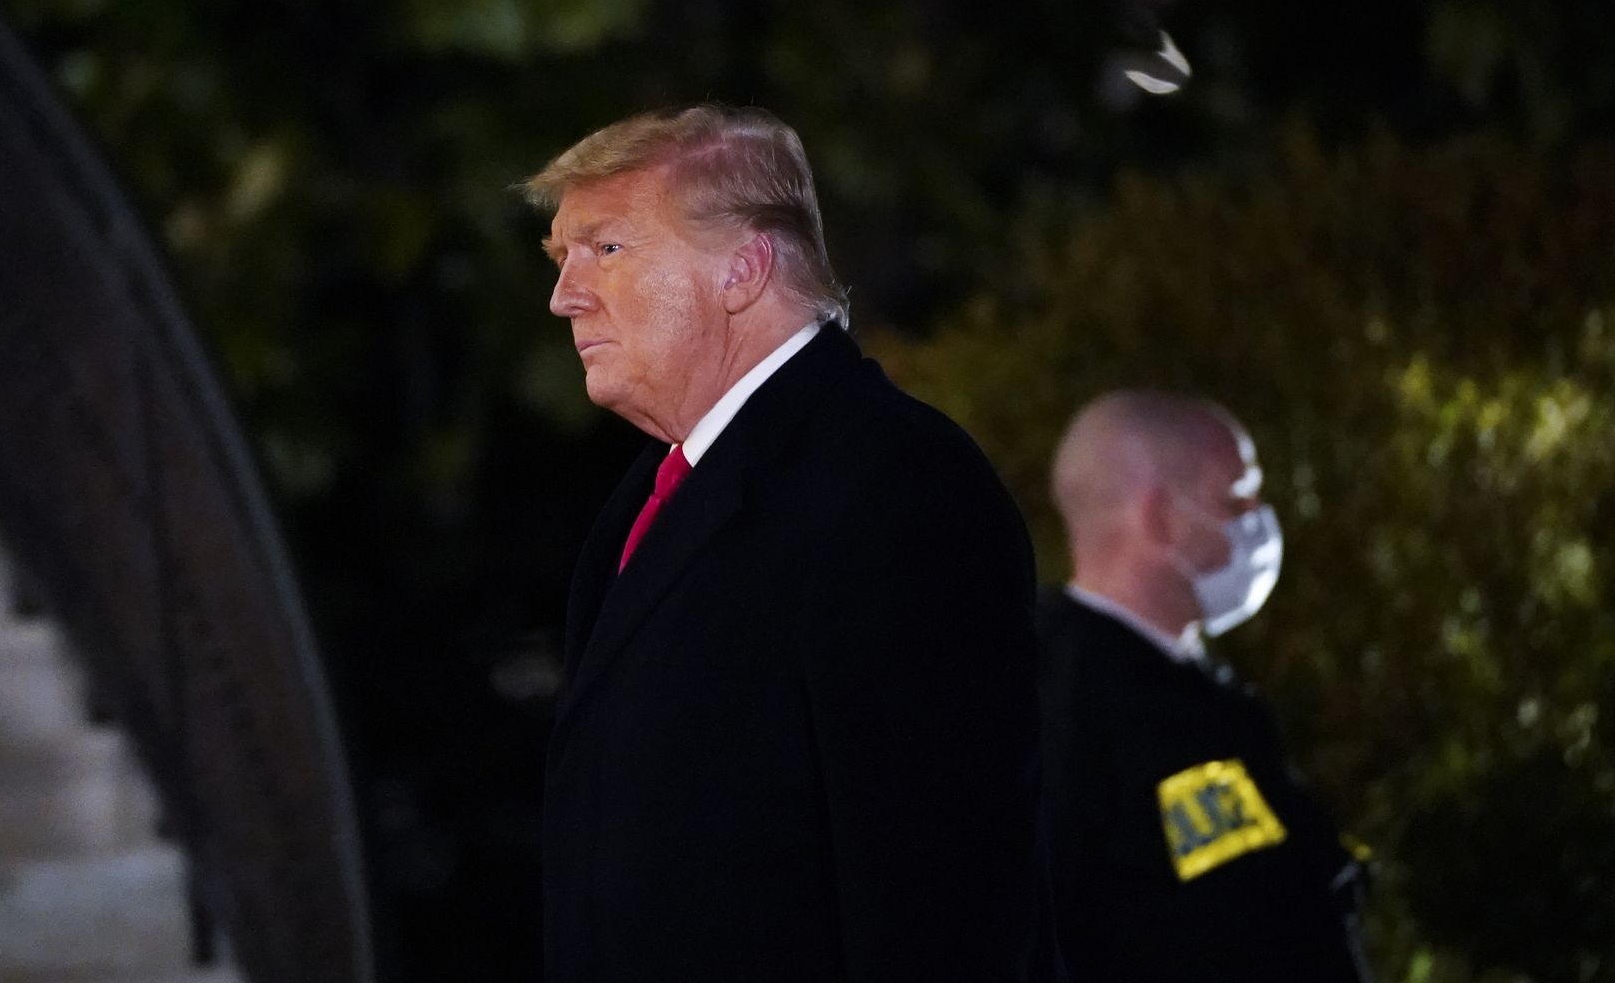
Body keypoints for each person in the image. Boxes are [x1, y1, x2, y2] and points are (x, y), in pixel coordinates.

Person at [524, 104, 1049, 982]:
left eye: (605, 248)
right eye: (561, 257)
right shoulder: (649, 496)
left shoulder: (894, 483)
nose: (564, 295)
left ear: (744, 268)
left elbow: (945, 892)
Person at [1038, 390, 1371, 983]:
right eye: (1236, 498)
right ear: (1160, 519)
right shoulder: (1070, 711)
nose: (1259, 517)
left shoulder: (1177, 683)